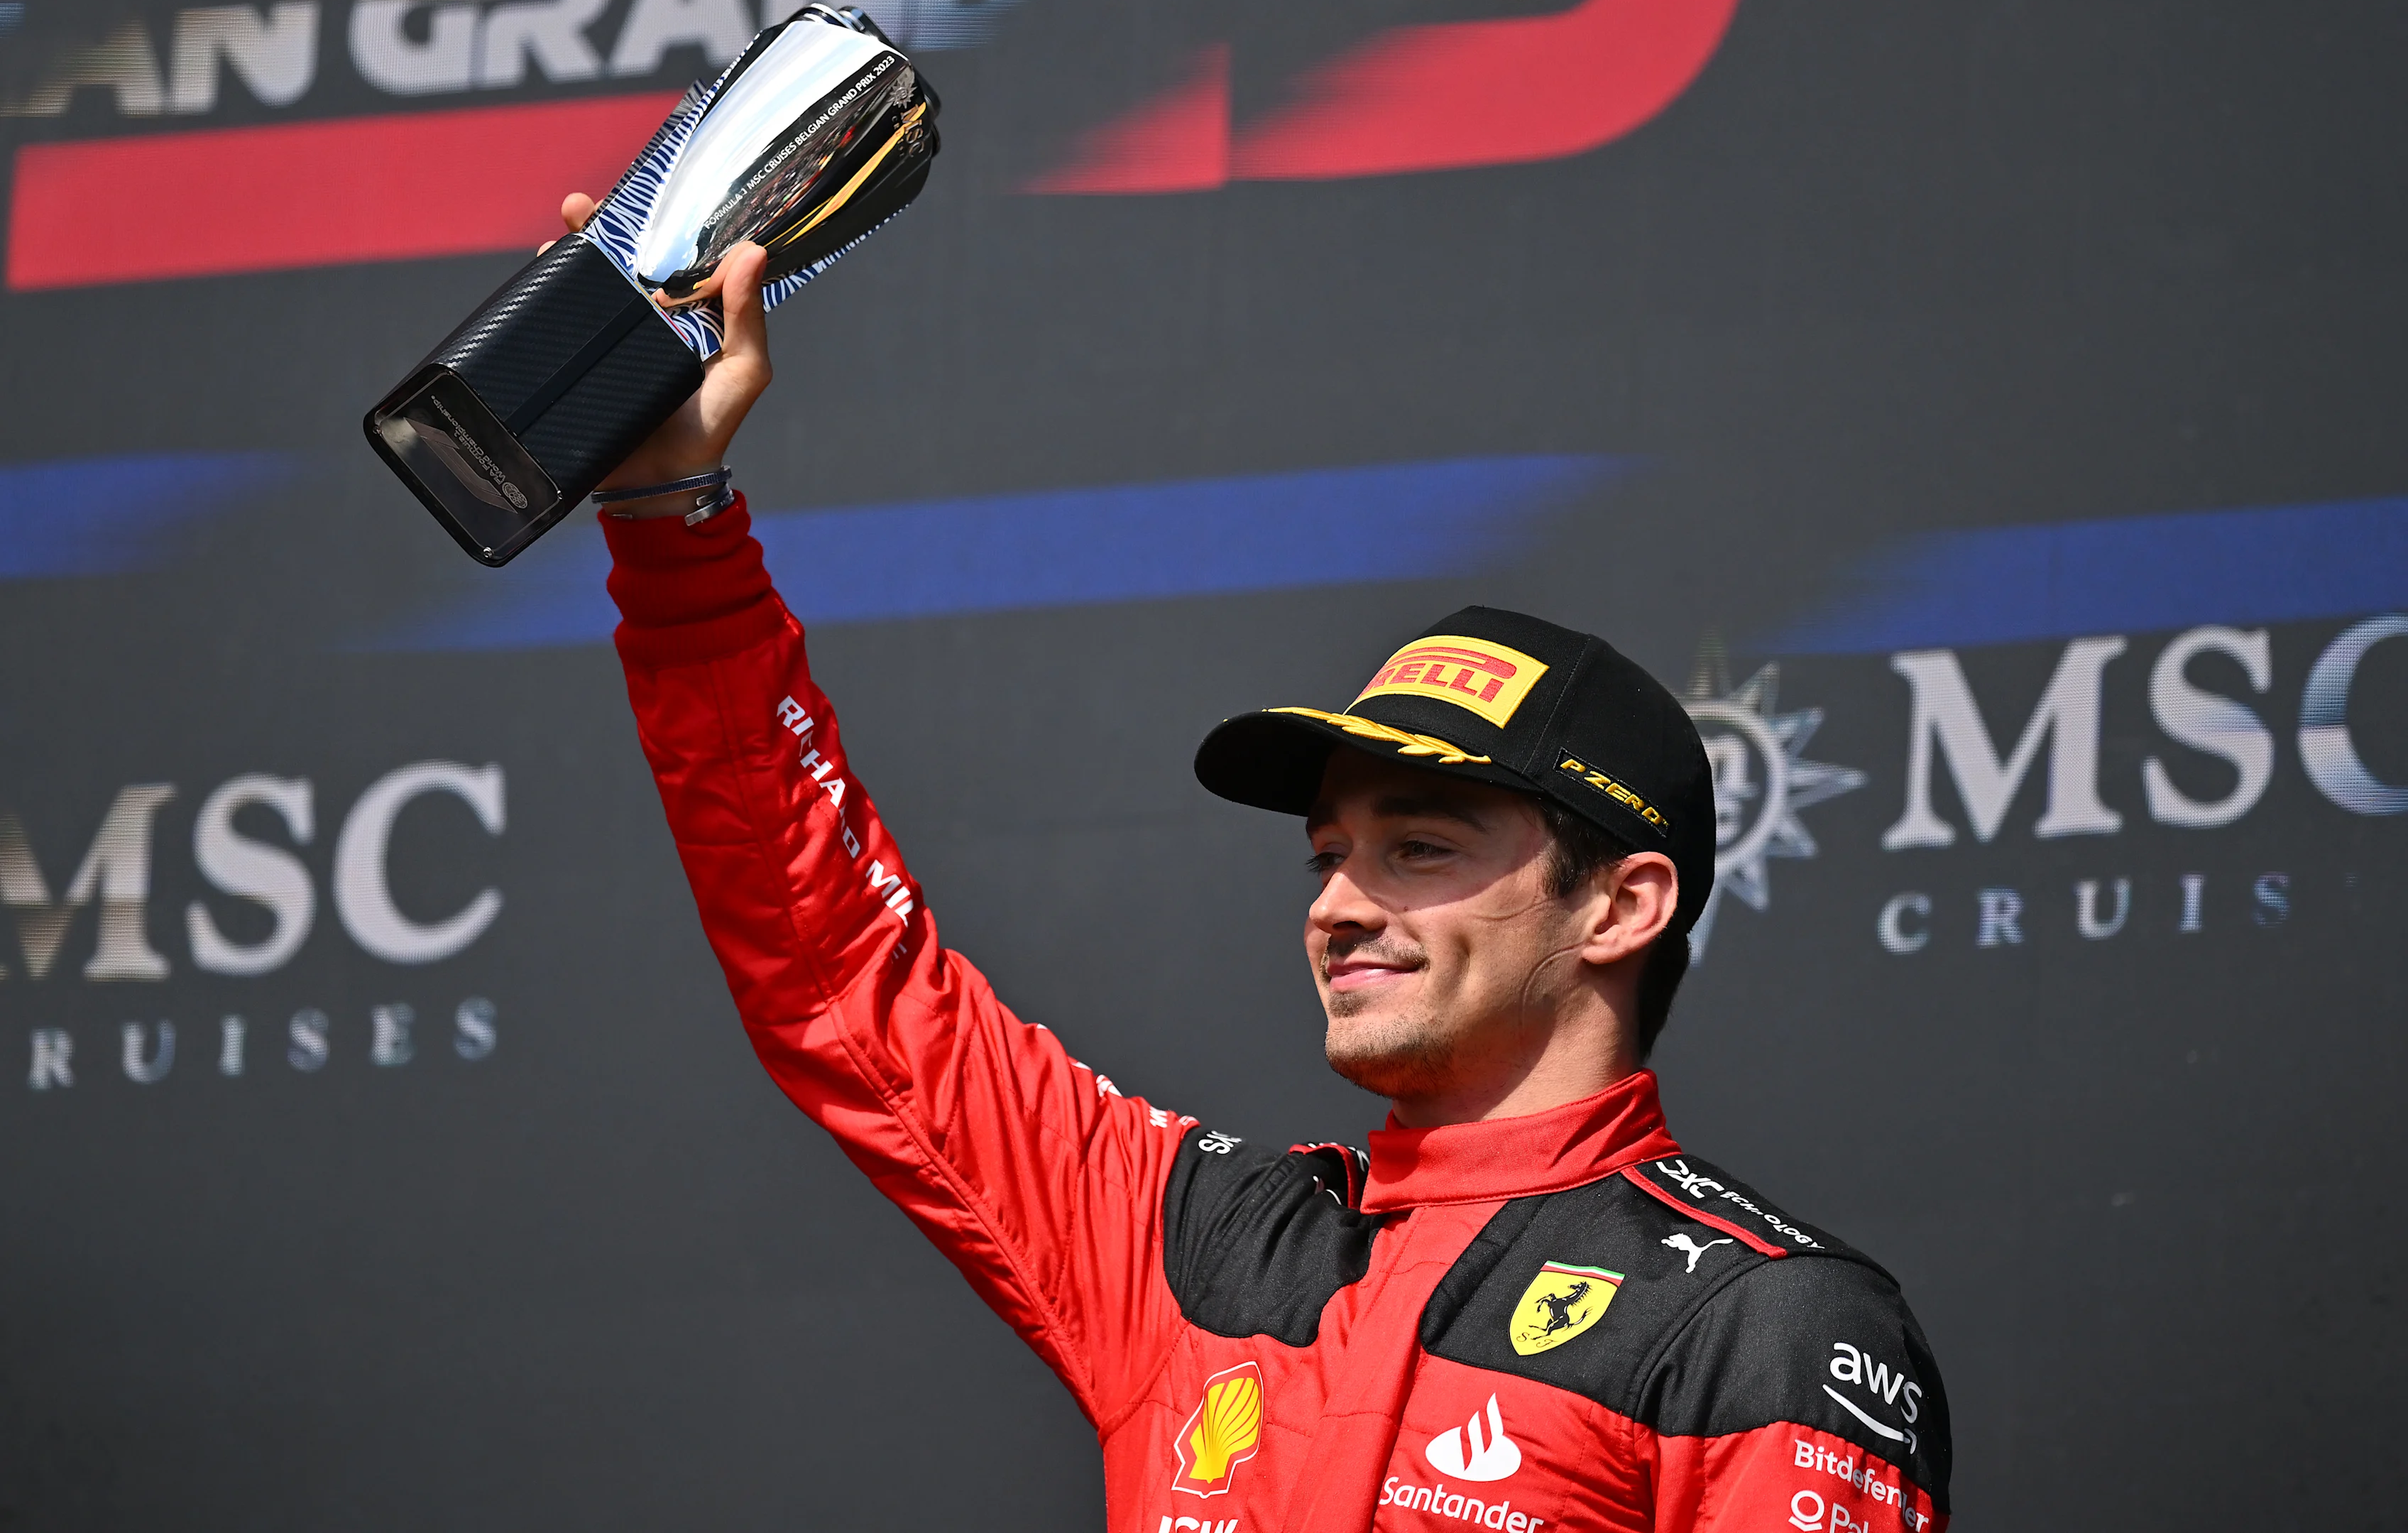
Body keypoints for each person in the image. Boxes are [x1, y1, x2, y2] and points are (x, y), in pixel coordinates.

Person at [567, 198, 1950, 1533]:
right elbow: (839, 973)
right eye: (1329, 855)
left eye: (1418, 847)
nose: (1342, 903)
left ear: (1620, 904)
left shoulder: (1769, 1322)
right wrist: (671, 517)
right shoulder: (1191, 1239)